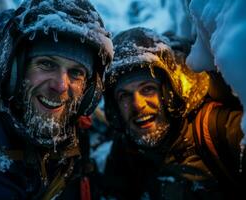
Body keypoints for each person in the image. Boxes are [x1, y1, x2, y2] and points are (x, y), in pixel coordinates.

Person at [0, 0, 113, 199]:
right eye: (46, 64)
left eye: (76, 72)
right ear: (15, 69)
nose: (60, 86)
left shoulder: (78, 134)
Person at [102, 27, 245, 200]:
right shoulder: (127, 147)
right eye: (124, 95)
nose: (137, 105)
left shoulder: (217, 128)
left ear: (168, 93)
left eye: (147, 89)